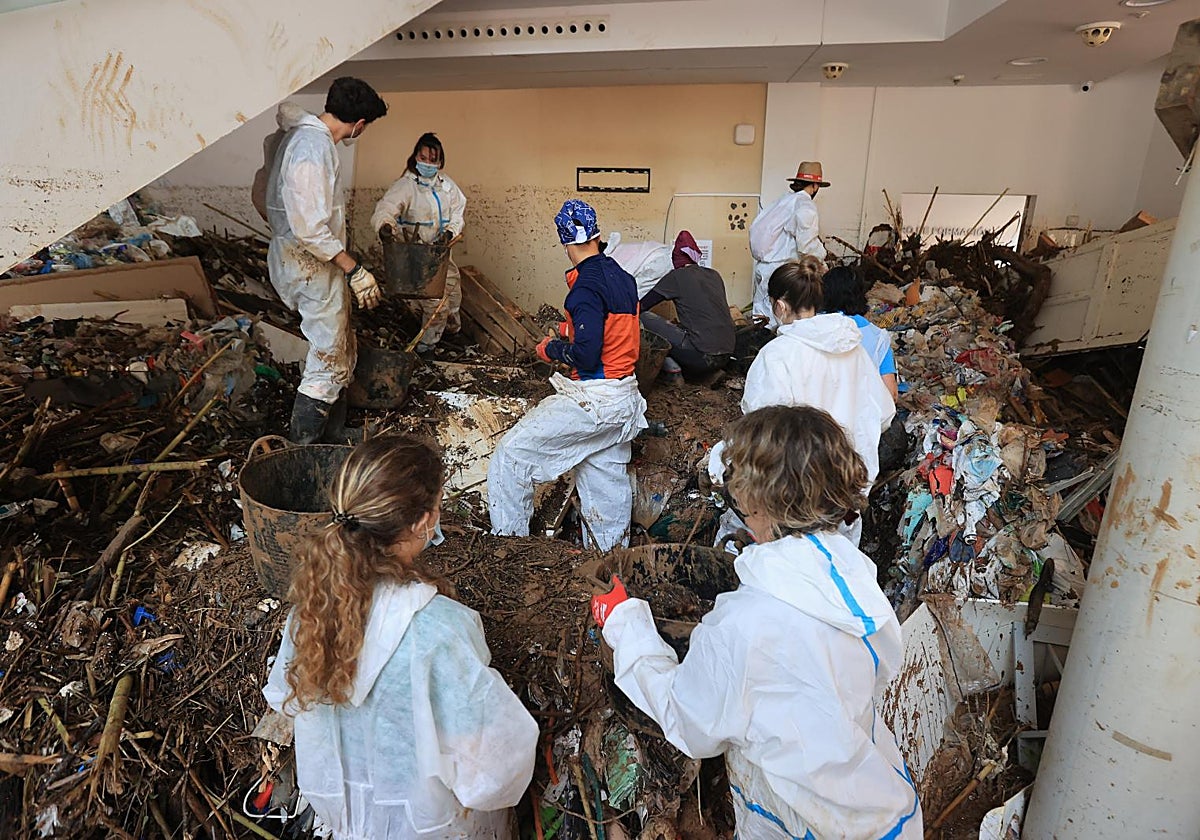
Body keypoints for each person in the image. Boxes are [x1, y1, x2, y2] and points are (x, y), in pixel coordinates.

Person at [592, 406, 922, 840]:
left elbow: (688, 721)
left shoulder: (745, 624)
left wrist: (626, 624)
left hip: (805, 822)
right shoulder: (854, 577)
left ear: (759, 500)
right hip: (881, 803)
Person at [264, 434, 538, 839]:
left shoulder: (311, 611)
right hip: (434, 826)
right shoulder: (440, 629)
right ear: (422, 521)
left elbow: (282, 697)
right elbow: (496, 768)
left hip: (350, 822)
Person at [487, 199, 647, 551]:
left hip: (594, 399)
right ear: (596, 234)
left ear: (564, 242)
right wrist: (570, 327)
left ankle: (508, 550)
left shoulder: (585, 286)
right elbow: (613, 328)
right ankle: (608, 563)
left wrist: (551, 349)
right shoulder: (621, 276)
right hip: (623, 399)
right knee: (604, 480)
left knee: (512, 455)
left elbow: (587, 355)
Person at [265, 77, 388, 445]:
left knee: (338, 346)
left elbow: (263, 192)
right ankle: (304, 448)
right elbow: (310, 229)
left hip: (309, 259)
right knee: (327, 357)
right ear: (359, 125)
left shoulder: (300, 138)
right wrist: (355, 269)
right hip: (310, 264)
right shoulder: (312, 146)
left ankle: (333, 433)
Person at [370, 133, 467, 353]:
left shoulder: (447, 186)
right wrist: (385, 226)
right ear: (415, 157)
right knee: (435, 303)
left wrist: (450, 233)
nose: (428, 163)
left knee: (453, 295)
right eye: (423, 157)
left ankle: (452, 335)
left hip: (442, 254)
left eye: (433, 160)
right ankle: (427, 348)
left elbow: (458, 212)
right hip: (415, 255)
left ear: (440, 162)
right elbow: (386, 208)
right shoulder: (405, 186)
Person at [638, 231, 735, 376]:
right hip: (727, 354)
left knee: (644, 317)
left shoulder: (677, 276)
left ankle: (672, 369)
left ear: (675, 259)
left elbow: (642, 306)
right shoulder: (714, 275)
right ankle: (712, 374)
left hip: (700, 357)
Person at [748, 161, 829, 327]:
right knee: (780, 318)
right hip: (780, 270)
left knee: (761, 316)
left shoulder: (784, 200)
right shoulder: (805, 205)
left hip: (764, 266)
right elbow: (807, 245)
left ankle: (758, 347)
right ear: (815, 186)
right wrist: (822, 261)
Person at [822, 264, 899, 400]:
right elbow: (891, 393)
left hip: (821, 415)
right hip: (865, 416)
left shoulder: (814, 329)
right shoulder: (878, 337)